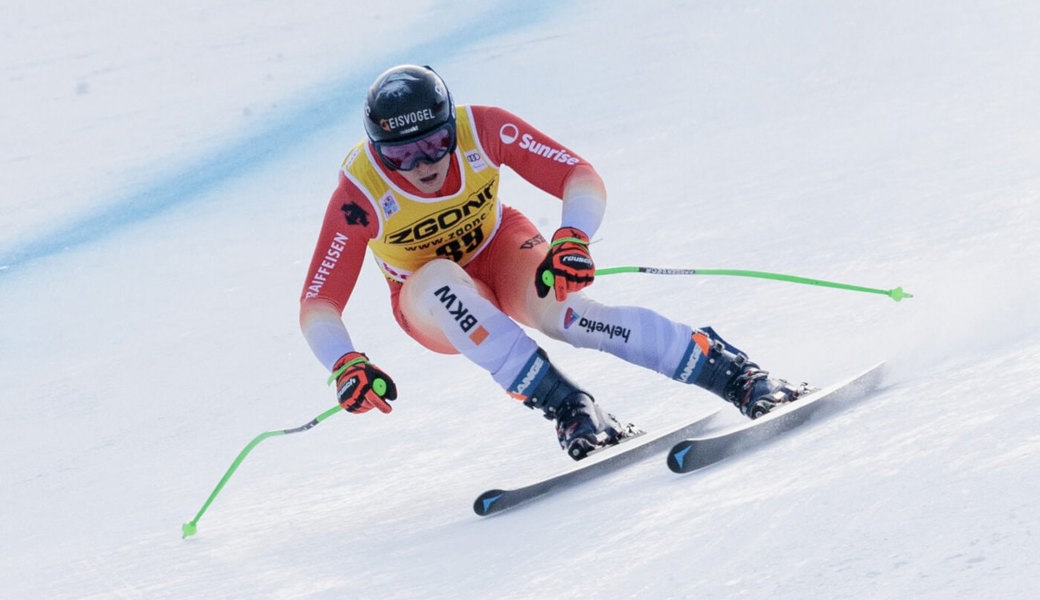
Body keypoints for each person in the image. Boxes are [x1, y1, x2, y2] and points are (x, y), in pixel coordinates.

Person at [299, 64, 811, 460]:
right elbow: (319, 301)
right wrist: (345, 363)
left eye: (433, 144)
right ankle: (571, 408)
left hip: (503, 251)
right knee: (440, 280)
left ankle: (731, 373)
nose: (423, 164)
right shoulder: (360, 192)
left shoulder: (483, 128)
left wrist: (573, 238)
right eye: (402, 156)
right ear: (377, 152)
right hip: (428, 301)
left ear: (450, 126)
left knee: (571, 317)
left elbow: (578, 174)